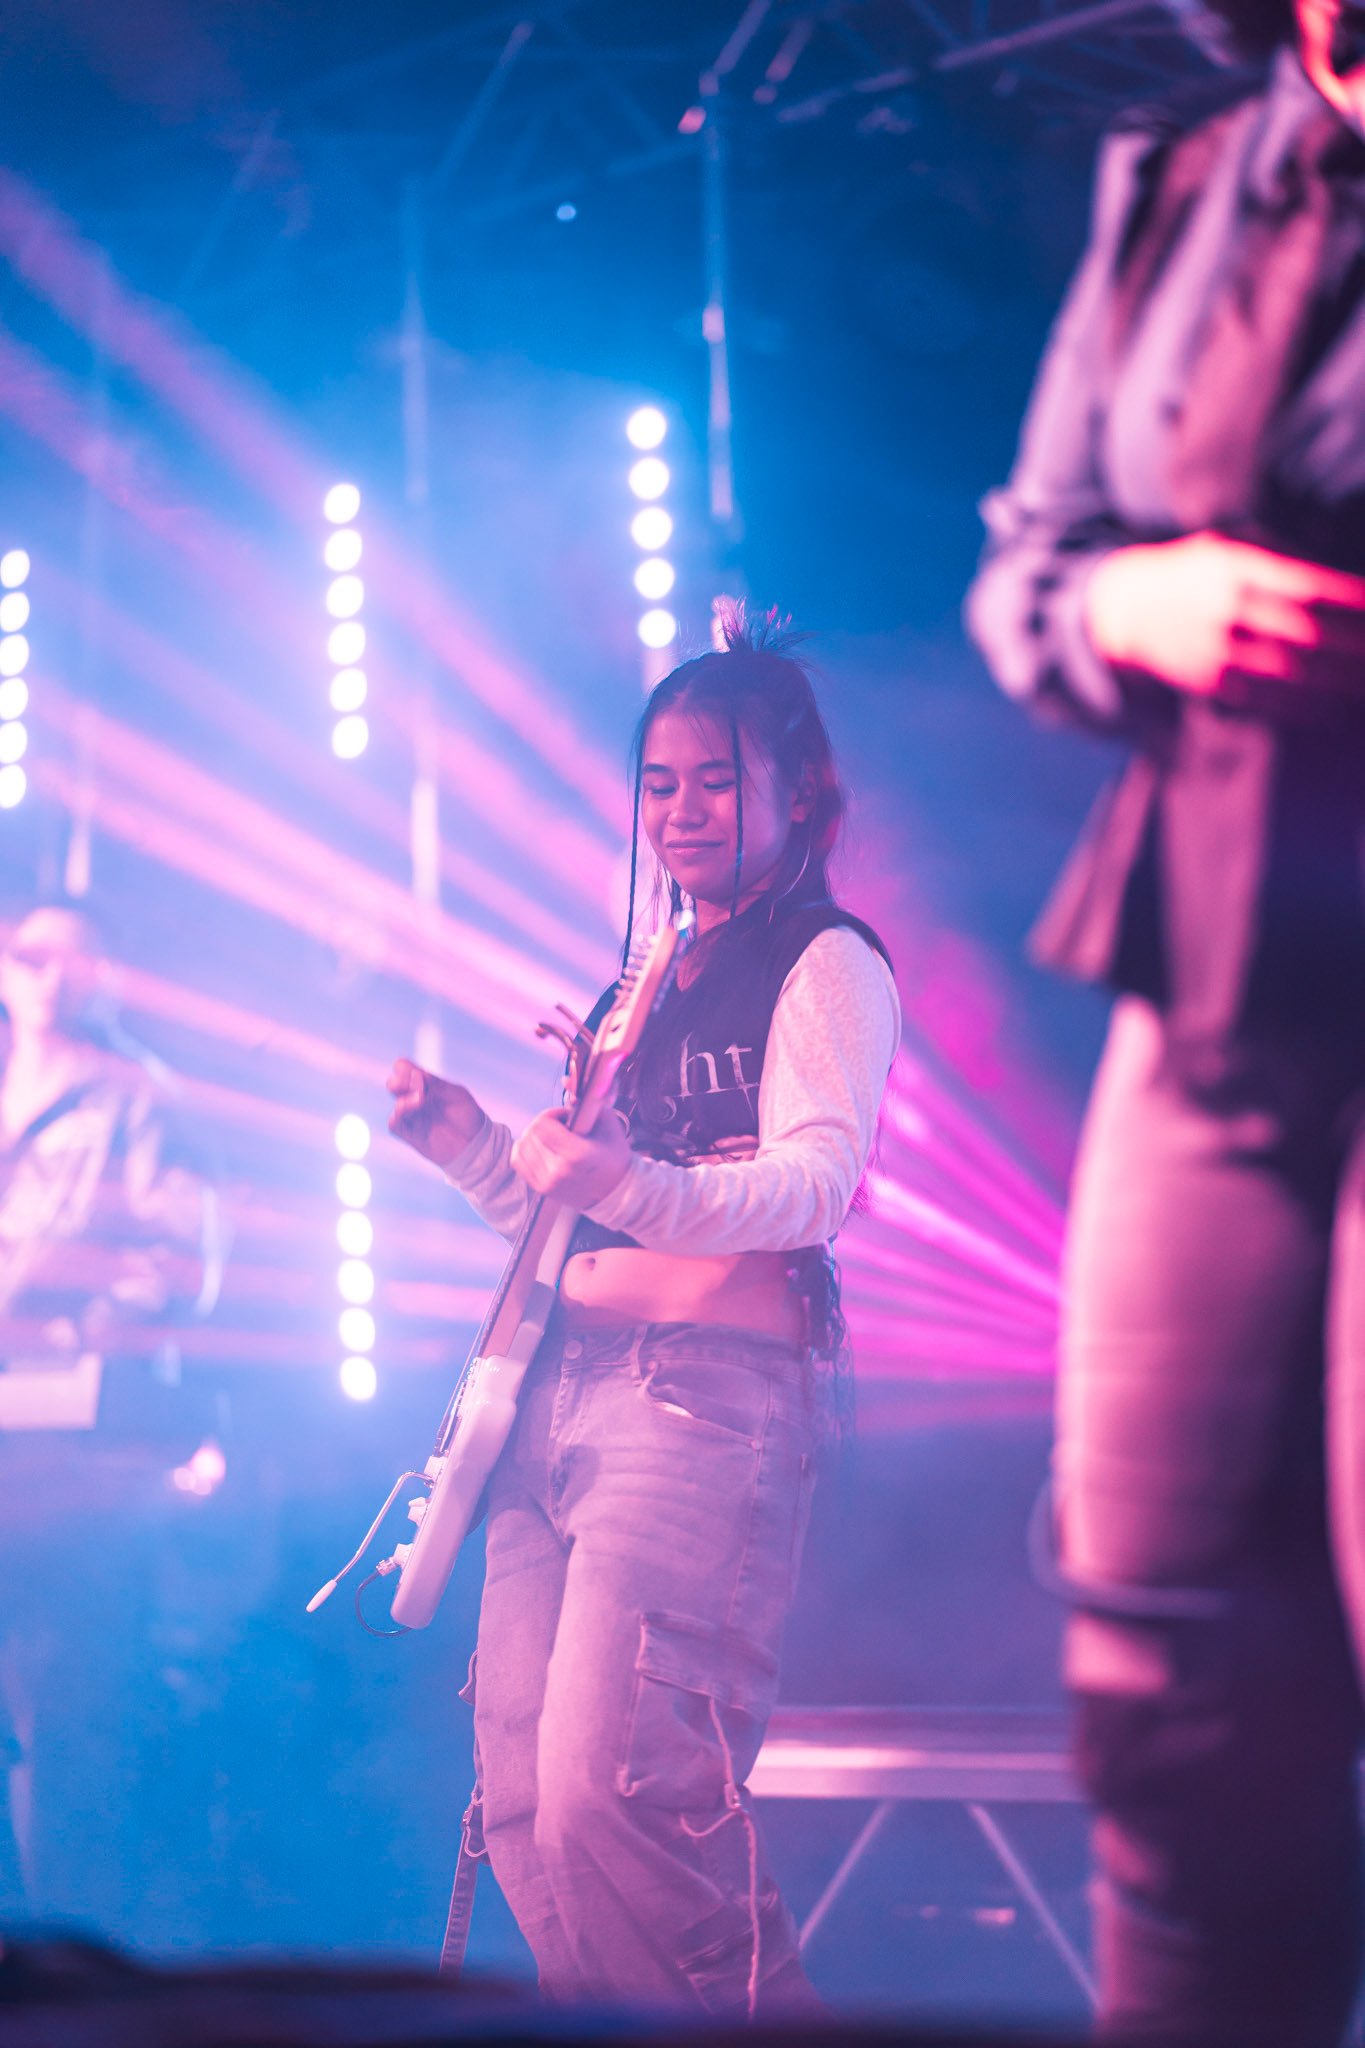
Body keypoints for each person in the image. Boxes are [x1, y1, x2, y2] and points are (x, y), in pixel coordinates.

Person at [967, 0, 1365, 2037]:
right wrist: (1120, 606)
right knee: (1160, 1684)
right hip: (1209, 988)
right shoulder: (1190, 176)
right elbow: (1029, 566)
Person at [386, 608, 900, 2017]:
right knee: (524, 1810)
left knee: (622, 1797)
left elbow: (812, 1188)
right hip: (562, 1390)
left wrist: (620, 1179)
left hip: (701, 1399)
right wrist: (469, 1147)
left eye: (716, 780)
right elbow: (575, 1228)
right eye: (660, 784)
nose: (679, 811)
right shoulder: (640, 984)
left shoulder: (826, 960)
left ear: (802, 790)